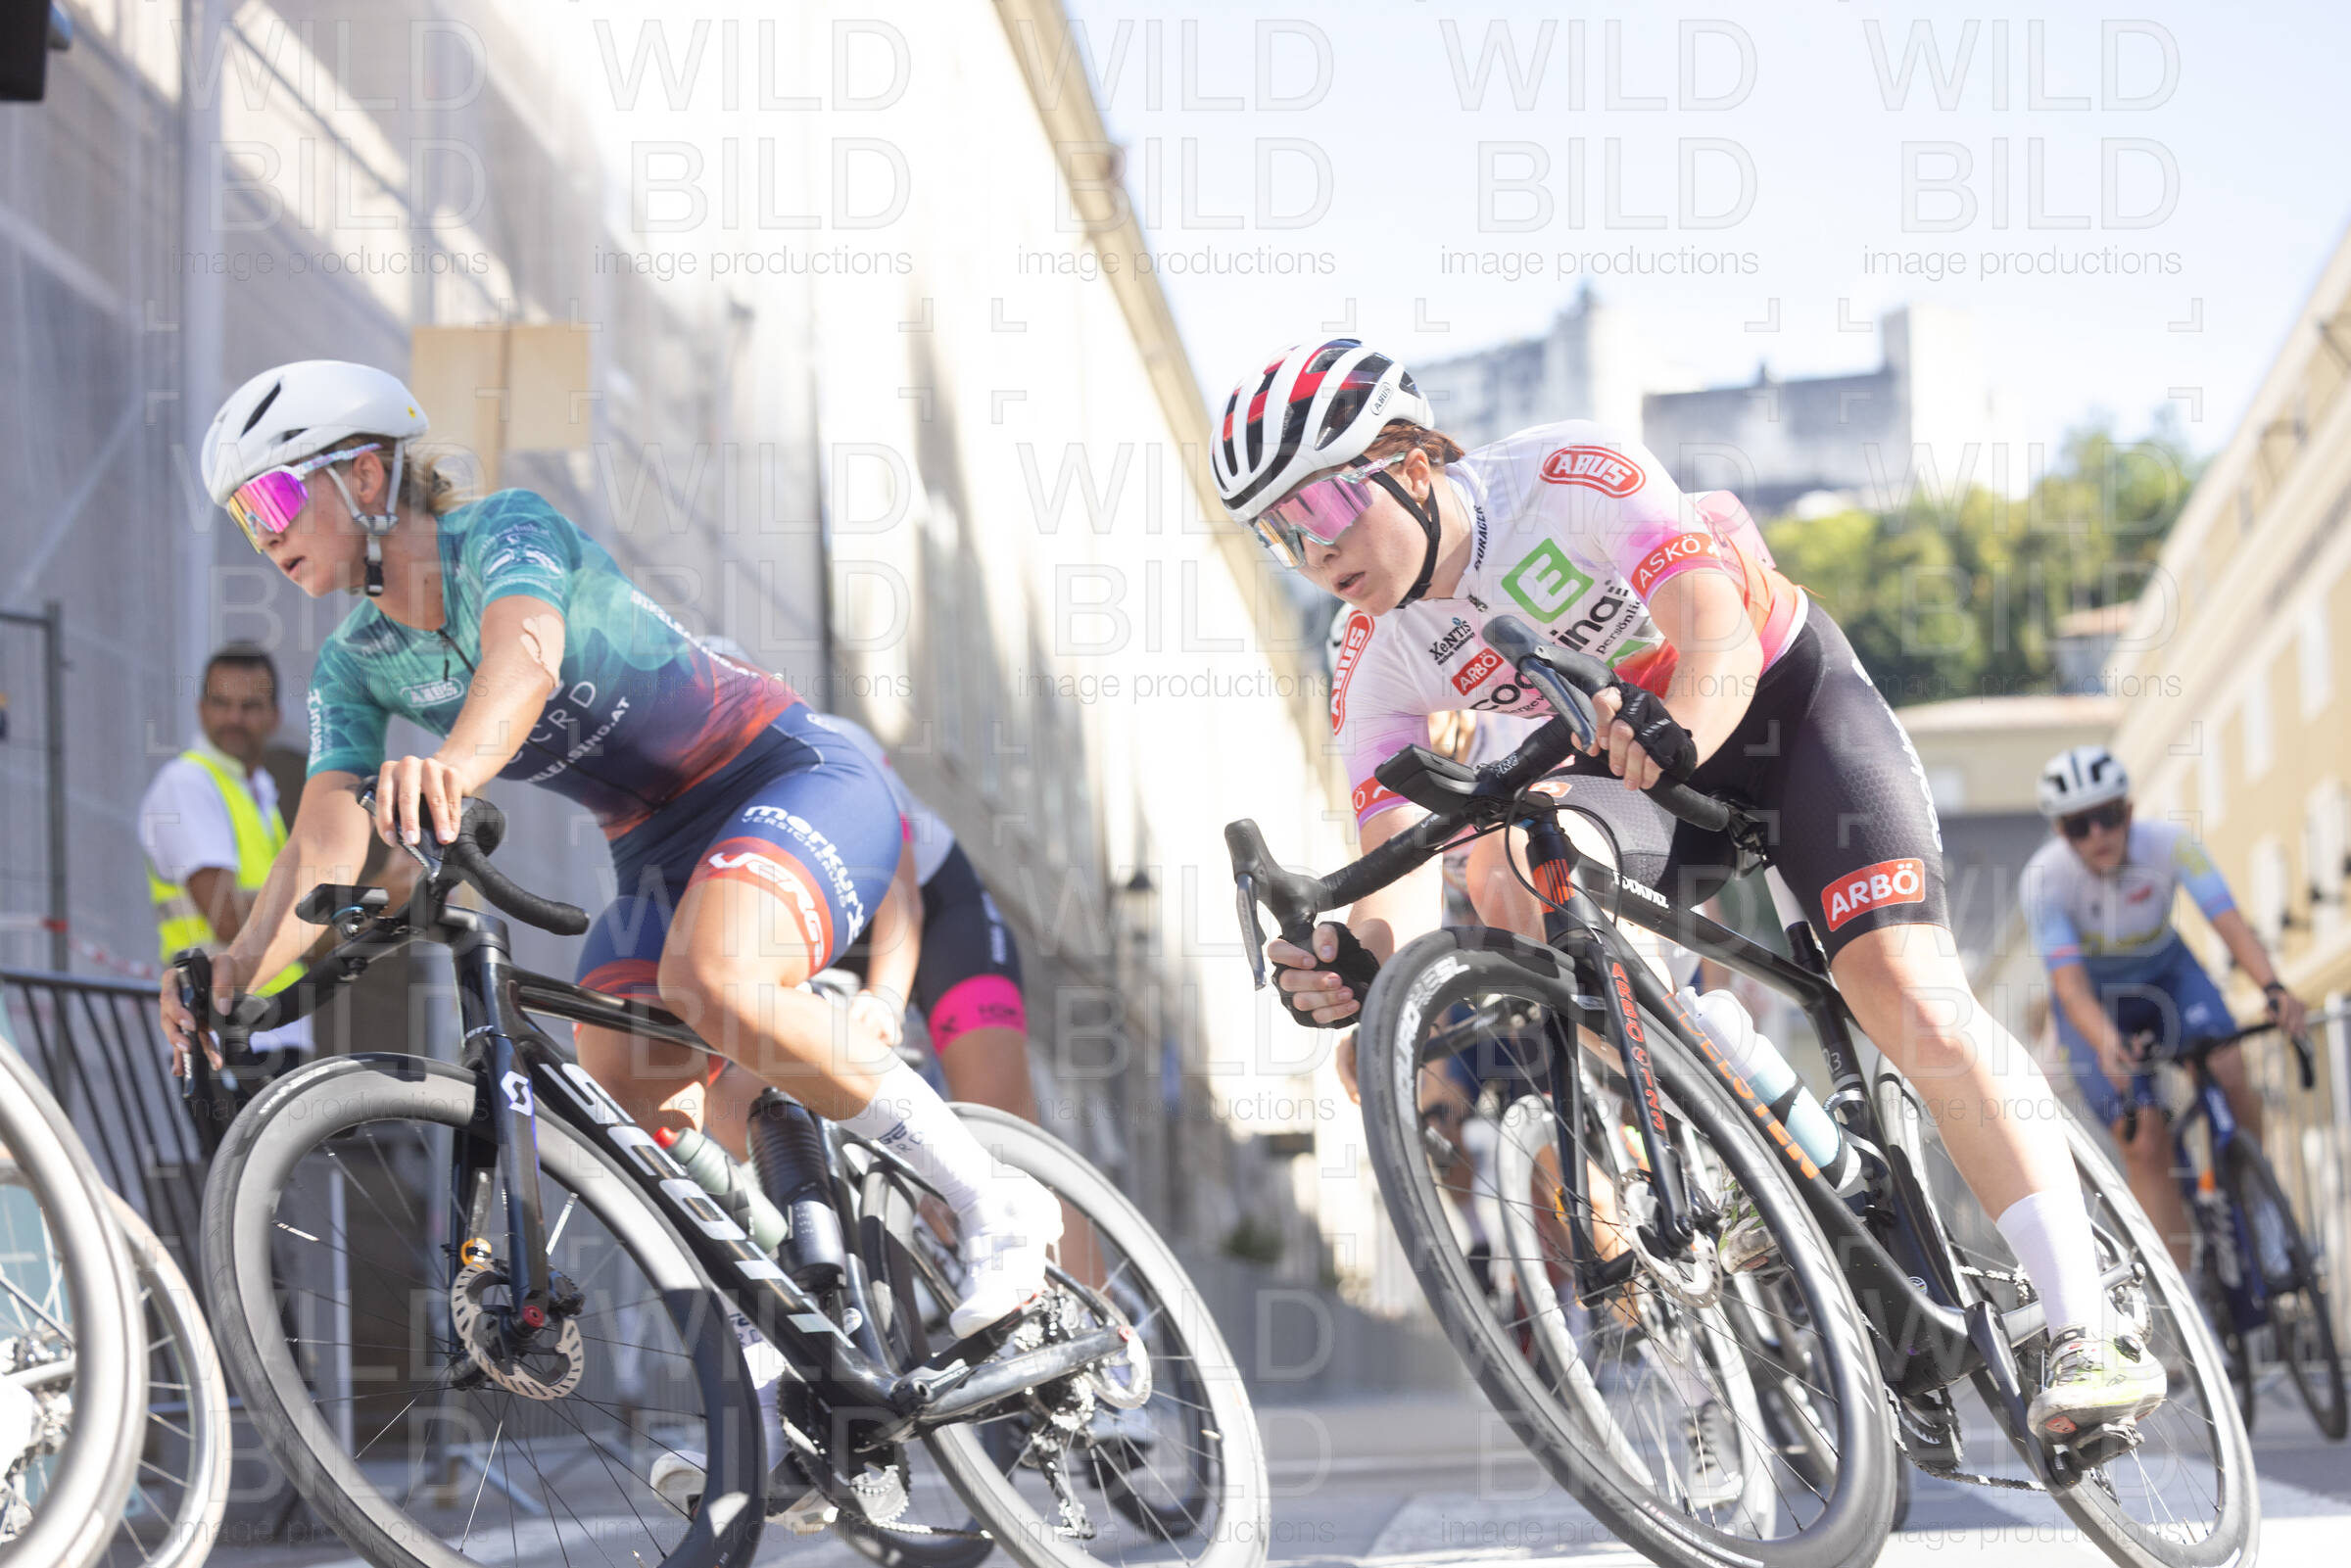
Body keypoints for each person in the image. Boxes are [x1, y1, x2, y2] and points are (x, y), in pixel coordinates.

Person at [1215, 336, 2164, 1443]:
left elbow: (1715, 628)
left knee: (1902, 987)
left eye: (1320, 504)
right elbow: (1402, 860)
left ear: (1413, 463)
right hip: (1628, 772)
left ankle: (2087, 1326)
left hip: (1779, 708)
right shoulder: (1369, 653)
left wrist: (1683, 724)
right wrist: (1361, 963)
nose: (1311, 549)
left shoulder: (1565, 474)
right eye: (1278, 531)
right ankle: (1732, 1105)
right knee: (1508, 871)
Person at [157, 363, 1061, 1447]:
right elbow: (322, 843)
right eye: (244, 516)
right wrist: (232, 973)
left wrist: (449, 769)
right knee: (619, 1077)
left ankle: (992, 1195)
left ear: (361, 474)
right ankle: (788, 1346)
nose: (263, 534)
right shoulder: (354, 662)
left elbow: (526, 656)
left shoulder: (503, 530)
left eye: (272, 497)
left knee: (711, 977)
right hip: (656, 852)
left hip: (782, 775)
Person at [2023, 745, 2306, 1271]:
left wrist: (2273, 987)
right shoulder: (2045, 879)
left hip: (2170, 978)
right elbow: (2071, 987)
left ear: (2129, 812)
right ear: (2062, 832)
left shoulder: (2170, 844)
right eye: (2080, 826)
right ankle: (2183, 1291)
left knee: (2227, 1064)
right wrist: (2106, 1042)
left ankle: (2258, 1202)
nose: (2098, 834)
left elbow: (2227, 919)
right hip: (2097, 1004)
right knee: (2145, 1139)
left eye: (2108, 816)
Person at [138, 643, 314, 1065]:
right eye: (221, 703)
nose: (233, 718)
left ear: (274, 717)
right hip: (220, 1027)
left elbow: (300, 930)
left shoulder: (258, 789)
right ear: (201, 710)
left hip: (271, 1025)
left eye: (249, 706)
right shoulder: (188, 783)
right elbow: (226, 915)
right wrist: (318, 907)